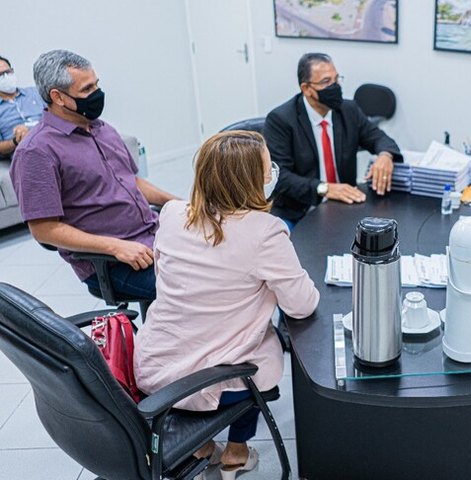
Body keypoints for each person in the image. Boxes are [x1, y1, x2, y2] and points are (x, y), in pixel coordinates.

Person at [134, 130, 319, 479]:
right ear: (249, 181)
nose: (272, 175)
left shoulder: (172, 214)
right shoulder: (266, 231)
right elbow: (301, 306)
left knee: (231, 337)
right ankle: (236, 452)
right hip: (210, 382)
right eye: (267, 169)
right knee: (261, 349)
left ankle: (201, 446)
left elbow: (165, 277)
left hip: (154, 370)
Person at [10, 50, 176, 300]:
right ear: (58, 97)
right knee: (200, 289)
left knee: (223, 264)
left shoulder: (103, 129)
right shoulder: (36, 152)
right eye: (87, 89)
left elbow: (132, 181)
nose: (97, 94)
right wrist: (116, 247)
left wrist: (178, 204)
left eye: (96, 84)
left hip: (154, 235)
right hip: (112, 262)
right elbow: (44, 230)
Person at [263, 52, 402, 225]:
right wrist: (324, 188)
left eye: (336, 79)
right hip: (299, 210)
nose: (335, 86)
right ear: (306, 89)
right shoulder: (281, 119)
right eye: (326, 82)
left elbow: (379, 138)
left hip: (343, 205)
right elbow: (280, 177)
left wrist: (385, 155)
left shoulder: (348, 110)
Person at [0, 55, 44, 158]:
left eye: (8, 72)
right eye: (1, 75)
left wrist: (35, 128)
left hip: (51, 140)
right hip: (26, 153)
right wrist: (16, 140)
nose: (6, 77)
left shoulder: (35, 92)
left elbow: (58, 116)